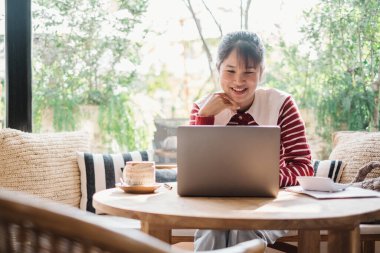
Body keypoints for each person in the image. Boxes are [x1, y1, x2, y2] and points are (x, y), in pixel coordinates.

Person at [189, 30, 314, 250]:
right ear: (218, 69)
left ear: (261, 72)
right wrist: (204, 118)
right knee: (212, 230)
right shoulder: (202, 108)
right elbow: (193, 171)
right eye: (230, 71)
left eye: (248, 72)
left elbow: (304, 167)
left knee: (244, 229)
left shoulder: (282, 104)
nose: (238, 81)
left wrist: (265, 179)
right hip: (215, 206)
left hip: (271, 203)